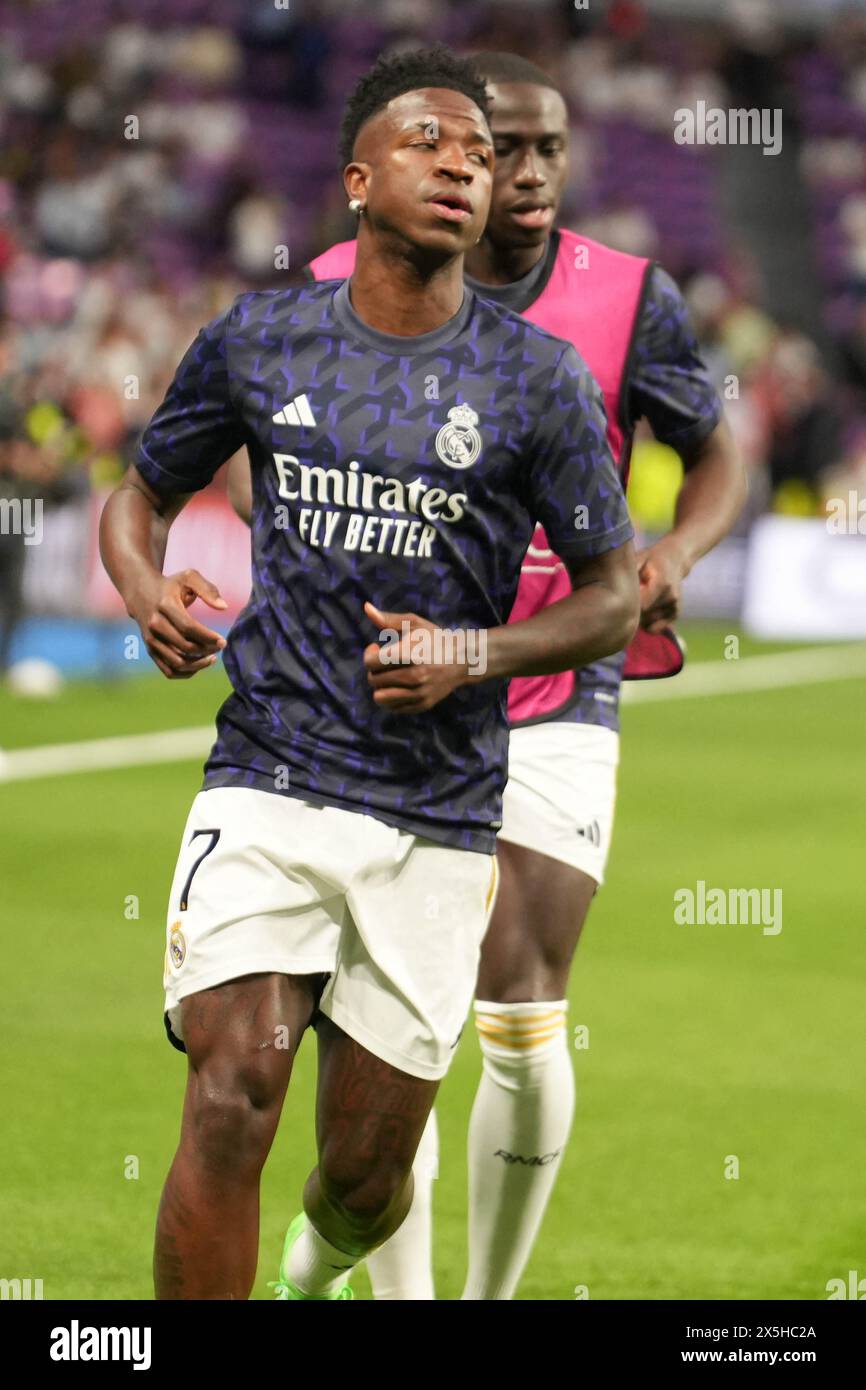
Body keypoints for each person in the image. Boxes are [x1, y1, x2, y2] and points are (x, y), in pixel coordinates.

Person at [99, 45, 639, 1301]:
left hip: (438, 815)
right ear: (355, 178)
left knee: (360, 1176)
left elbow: (612, 593)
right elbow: (138, 496)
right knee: (232, 1094)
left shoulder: (535, 380)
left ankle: (318, 1267)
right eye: (428, 143)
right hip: (268, 779)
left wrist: (478, 653)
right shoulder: (264, 336)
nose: (464, 163)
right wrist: (145, 586)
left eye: (480, 150)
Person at [236, 50, 744, 1301]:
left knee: (517, 1001)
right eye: (493, 146)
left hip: (561, 675)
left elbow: (715, 447)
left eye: (542, 151)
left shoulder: (627, 298)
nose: (516, 173)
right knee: (390, 1023)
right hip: (389, 683)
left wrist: (670, 547)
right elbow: (273, 454)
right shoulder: (327, 290)